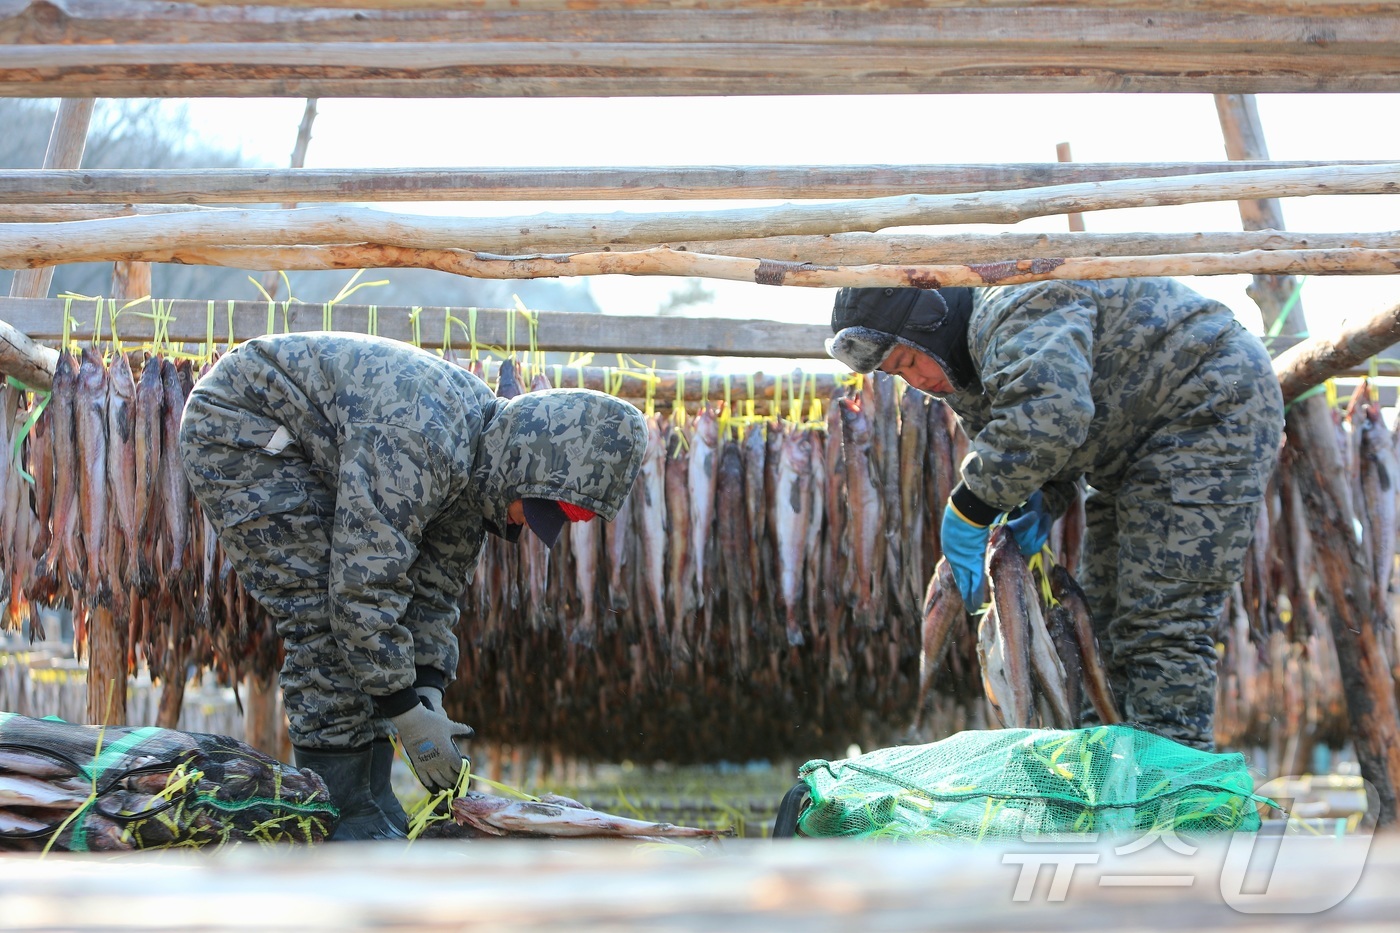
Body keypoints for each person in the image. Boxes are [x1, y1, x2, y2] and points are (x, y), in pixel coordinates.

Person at [179, 332, 647, 840]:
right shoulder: (423, 441)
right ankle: (341, 811)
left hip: (305, 444)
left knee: (363, 636)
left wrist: (427, 689)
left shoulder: (479, 467)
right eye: (533, 508)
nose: (527, 524)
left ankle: (372, 799)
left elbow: (434, 590)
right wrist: (403, 710)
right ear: (526, 467)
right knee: (320, 616)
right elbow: (362, 591)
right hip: (243, 425)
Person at [827, 278, 1284, 750]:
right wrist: (1041, 497)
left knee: (1159, 623)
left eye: (909, 360)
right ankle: (1107, 781)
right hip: (1129, 459)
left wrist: (968, 510)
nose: (917, 380)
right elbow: (1038, 447)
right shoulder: (963, 370)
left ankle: (1170, 799)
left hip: (1207, 406)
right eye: (899, 375)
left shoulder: (1015, 302)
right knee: (1098, 628)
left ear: (930, 321)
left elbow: (1049, 414)